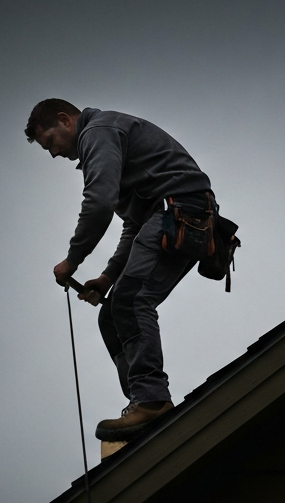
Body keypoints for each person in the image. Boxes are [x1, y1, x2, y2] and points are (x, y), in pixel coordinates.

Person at [26, 98, 214, 443]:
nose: (52, 153)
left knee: (131, 301)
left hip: (182, 212)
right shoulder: (107, 137)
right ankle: (140, 404)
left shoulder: (98, 132)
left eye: (49, 141)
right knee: (111, 314)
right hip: (172, 214)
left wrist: (73, 260)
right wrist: (108, 277)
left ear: (65, 121)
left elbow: (99, 202)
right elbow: (135, 224)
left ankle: (152, 400)